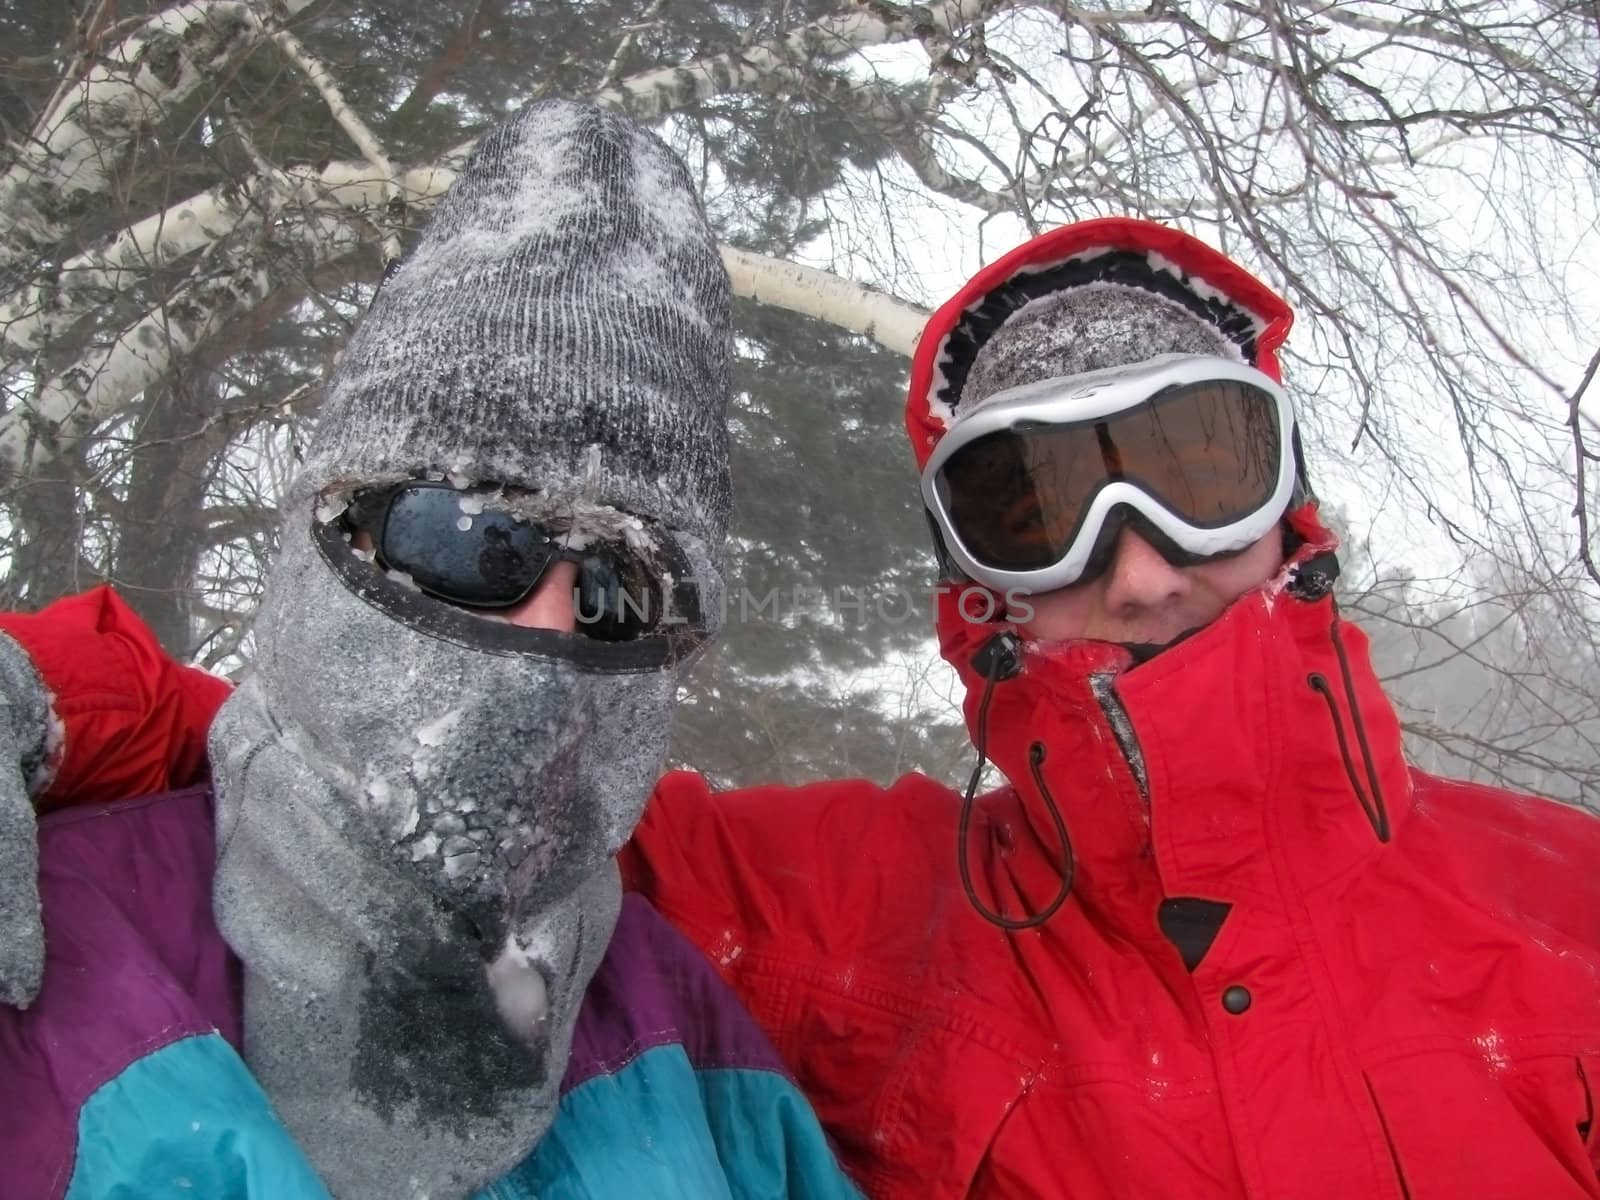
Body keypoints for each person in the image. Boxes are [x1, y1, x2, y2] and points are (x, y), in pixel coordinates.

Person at [7, 212, 1600, 1195]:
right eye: (1037, 502)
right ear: (975, 582)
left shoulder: (1564, 912)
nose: (1137, 567)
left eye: (1195, 465)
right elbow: (391, 754)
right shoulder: (854, 914)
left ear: (1288, 502)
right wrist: (46, 697)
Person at [0, 100, 860, 1200]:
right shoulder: (61, 944)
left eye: (620, 591)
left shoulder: (687, 1030)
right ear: (328, 535)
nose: (551, 632)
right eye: (470, 537)